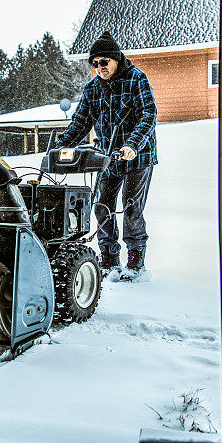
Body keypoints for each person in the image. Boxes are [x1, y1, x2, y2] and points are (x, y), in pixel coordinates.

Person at [55, 31, 157, 281]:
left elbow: (149, 114)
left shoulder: (136, 79)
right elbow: (81, 122)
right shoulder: (92, 89)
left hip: (137, 155)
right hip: (107, 156)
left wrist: (132, 144)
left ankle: (135, 261)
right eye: (95, 63)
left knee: (132, 207)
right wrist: (61, 146)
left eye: (104, 62)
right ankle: (109, 259)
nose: (99, 67)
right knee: (102, 206)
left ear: (116, 59)